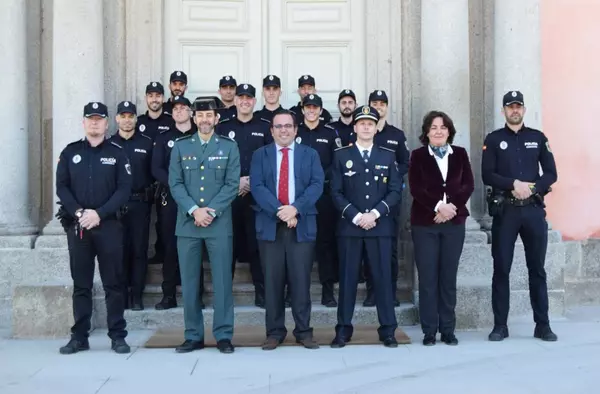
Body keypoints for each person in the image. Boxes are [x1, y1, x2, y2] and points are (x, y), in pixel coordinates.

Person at [56, 102, 132, 354]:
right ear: (84, 122)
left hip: (108, 226)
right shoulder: (70, 153)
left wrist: (99, 214)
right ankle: (79, 336)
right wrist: (80, 213)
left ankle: (118, 335)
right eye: (91, 119)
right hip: (79, 227)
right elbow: (62, 188)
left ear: (107, 123)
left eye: (100, 119)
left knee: (114, 283)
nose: (95, 123)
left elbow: (124, 190)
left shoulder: (118, 153)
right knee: (81, 284)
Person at [482, 91, 558, 342]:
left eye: (518, 107)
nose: (514, 111)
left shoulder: (538, 138)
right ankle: (500, 326)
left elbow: (550, 173)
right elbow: (487, 174)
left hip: (533, 211)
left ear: (523, 110)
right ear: (503, 111)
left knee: (537, 269)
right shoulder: (493, 140)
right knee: (501, 269)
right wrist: (513, 182)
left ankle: (543, 325)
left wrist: (532, 188)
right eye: (510, 107)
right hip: (507, 212)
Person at [169, 96, 240, 354]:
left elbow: (232, 184)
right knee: (189, 283)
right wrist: (194, 210)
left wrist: (209, 211)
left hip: (218, 224)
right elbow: (175, 183)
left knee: (222, 282)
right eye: (200, 116)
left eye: (209, 115)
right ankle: (193, 335)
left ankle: (223, 335)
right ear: (193, 118)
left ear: (216, 118)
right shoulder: (180, 146)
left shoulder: (229, 146)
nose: (205, 120)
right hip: (188, 224)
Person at [250, 109, 324, 351]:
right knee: (272, 282)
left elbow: (316, 184)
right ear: (271, 130)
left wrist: (295, 209)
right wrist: (281, 211)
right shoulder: (260, 155)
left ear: (295, 129)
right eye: (279, 126)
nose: (284, 130)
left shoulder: (310, 154)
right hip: (271, 226)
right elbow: (258, 186)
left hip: (301, 225)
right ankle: (274, 332)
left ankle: (304, 331)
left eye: (288, 126)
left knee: (301, 281)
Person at [330, 105, 402, 348]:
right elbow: (336, 192)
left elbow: (394, 191)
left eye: (370, 123)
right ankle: (343, 329)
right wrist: (356, 216)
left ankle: (388, 330)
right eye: (362, 123)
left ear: (375, 127)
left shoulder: (387, 155)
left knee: (382, 279)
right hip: (351, 228)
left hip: (379, 227)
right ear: (355, 127)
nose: (366, 127)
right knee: (348, 280)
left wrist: (374, 214)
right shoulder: (341, 155)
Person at [408, 110, 474, 346]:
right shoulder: (417, 155)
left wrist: (451, 208)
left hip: (454, 224)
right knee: (427, 278)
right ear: (427, 132)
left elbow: (468, 185)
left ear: (449, 131)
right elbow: (416, 187)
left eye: (443, 127)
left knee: (448, 277)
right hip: (425, 224)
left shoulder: (460, 154)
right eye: (434, 127)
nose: (438, 131)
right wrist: (438, 207)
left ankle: (448, 329)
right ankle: (429, 331)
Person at [216, 83, 270, 307]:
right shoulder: (222, 127)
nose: (245, 101)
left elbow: (270, 161)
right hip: (229, 195)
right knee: (226, 246)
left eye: (249, 98)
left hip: (257, 196)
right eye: (241, 97)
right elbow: (217, 161)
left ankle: (262, 292)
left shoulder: (265, 127)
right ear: (235, 101)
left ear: (254, 102)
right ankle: (224, 295)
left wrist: (251, 182)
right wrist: (235, 181)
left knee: (257, 246)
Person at [362, 89, 410, 307]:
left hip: (388, 200)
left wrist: (391, 177)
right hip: (364, 200)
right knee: (367, 249)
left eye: (382, 103)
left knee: (389, 249)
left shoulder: (396, 135)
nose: (379, 106)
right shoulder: (365, 131)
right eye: (375, 103)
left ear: (387, 107)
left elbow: (405, 162)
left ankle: (390, 292)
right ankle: (372, 292)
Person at [151, 95, 199, 310]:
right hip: (170, 199)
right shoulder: (163, 138)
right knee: (171, 247)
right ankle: (168, 294)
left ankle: (196, 295)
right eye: (175, 108)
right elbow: (157, 168)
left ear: (191, 112)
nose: (179, 111)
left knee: (197, 245)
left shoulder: (200, 136)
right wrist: (177, 187)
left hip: (198, 198)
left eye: (183, 108)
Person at [296, 93, 341, 307]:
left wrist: (320, 178)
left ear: (321, 111)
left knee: (325, 244)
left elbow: (337, 162)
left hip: (324, 196)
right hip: (299, 198)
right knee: (297, 244)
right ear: (302, 109)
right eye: (308, 107)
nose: (312, 111)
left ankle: (327, 291)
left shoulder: (331, 133)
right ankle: (293, 291)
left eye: (315, 107)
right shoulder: (294, 131)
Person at [110, 101, 154, 311]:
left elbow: (154, 173)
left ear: (137, 119)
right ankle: (121, 295)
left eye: (131, 116)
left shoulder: (146, 143)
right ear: (117, 119)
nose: (127, 120)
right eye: (123, 116)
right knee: (117, 251)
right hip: (114, 206)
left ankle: (136, 296)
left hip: (139, 204)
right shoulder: (108, 145)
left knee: (138, 251)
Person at [137, 81, 175, 264]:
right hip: (144, 178)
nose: (154, 99)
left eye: (158, 95)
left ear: (163, 97)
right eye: (151, 95)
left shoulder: (170, 121)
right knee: (144, 222)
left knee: (163, 220)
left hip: (164, 179)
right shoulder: (139, 122)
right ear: (146, 98)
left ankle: (162, 252)